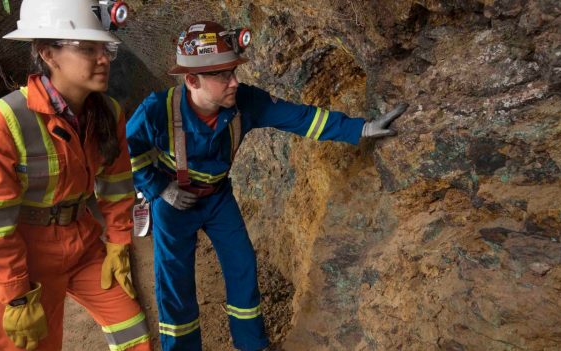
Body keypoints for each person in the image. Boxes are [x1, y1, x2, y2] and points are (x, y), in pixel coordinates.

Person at [126, 21, 408, 351]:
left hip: (217, 198)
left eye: (233, 72)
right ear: (191, 80)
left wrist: (359, 129)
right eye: (221, 75)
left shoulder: (245, 102)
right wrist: (160, 187)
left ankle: (252, 345)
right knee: (174, 284)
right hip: (173, 204)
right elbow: (125, 153)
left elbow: (301, 118)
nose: (234, 82)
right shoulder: (156, 111)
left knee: (243, 265)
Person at [0, 0, 151, 350]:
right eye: (87, 48)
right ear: (47, 53)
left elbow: (116, 187)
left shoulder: (108, 113)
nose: (104, 59)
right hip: (23, 258)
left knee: (133, 333)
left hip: (82, 243)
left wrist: (117, 243)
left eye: (106, 48)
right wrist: (15, 295)